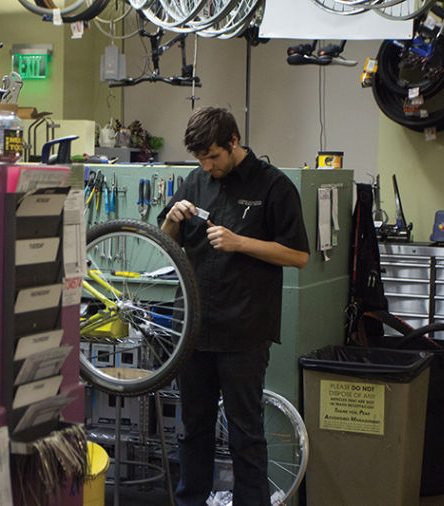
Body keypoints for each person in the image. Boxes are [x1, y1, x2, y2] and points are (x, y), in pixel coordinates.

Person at [157, 107, 310, 506]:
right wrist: (173, 218)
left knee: (245, 431)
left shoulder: (274, 186)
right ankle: (191, 500)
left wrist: (241, 242)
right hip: (192, 326)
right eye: (200, 159)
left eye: (213, 157)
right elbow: (165, 240)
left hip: (244, 330)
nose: (208, 166)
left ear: (234, 142)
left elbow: (298, 255)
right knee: (193, 427)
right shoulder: (195, 180)